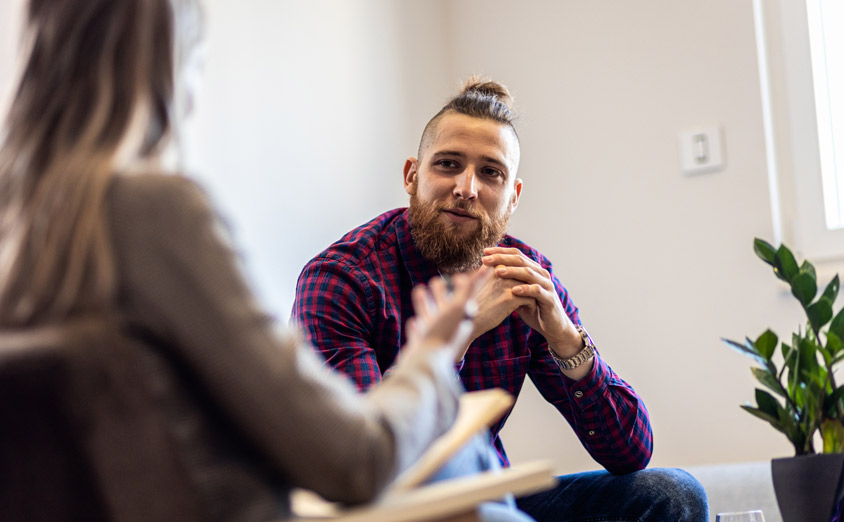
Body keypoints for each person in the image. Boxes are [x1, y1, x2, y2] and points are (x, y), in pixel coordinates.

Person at [0, 2, 534, 522]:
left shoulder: (20, 229)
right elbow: (354, 460)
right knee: (471, 467)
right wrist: (436, 350)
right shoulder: (151, 214)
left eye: (490, 173)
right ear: (170, 66)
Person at [293, 77, 709, 521]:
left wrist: (567, 340)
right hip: (386, 510)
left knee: (670, 494)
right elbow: (364, 461)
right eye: (448, 164)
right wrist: (459, 336)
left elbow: (631, 453)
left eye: (490, 172)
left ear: (512, 197)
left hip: (493, 503)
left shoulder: (525, 276)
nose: (467, 188)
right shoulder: (341, 278)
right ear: (412, 176)